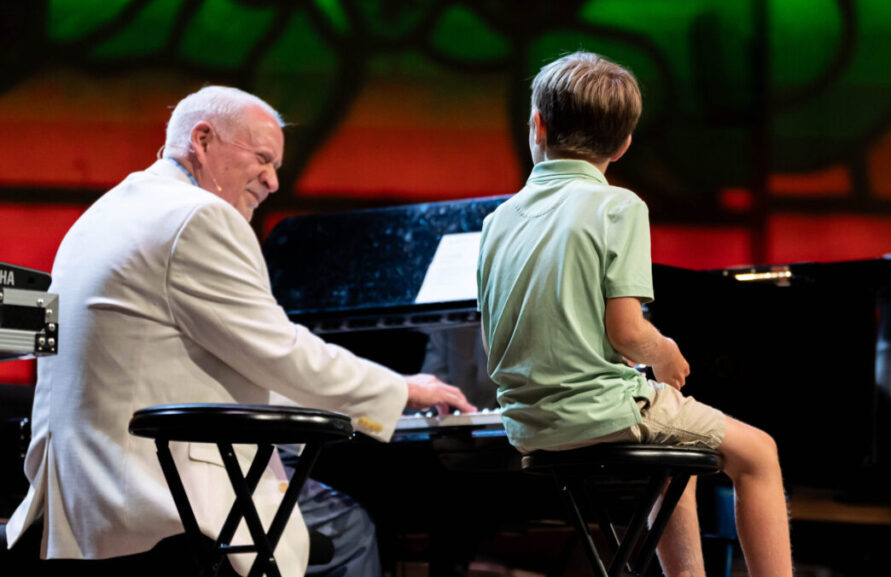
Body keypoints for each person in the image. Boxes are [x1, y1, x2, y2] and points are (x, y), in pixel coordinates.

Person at [3, 86, 475, 577]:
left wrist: (352, 405)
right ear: (203, 139)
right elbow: (282, 353)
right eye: (263, 159)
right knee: (350, 530)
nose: (273, 181)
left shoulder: (105, 212)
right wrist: (402, 390)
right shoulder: (198, 217)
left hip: (81, 491)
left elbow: (193, 363)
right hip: (155, 491)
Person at [477, 52, 792, 577]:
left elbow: (495, 343)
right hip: (600, 414)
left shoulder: (496, 221)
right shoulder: (619, 206)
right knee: (759, 453)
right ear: (623, 145)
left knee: (673, 447)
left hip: (528, 424)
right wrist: (664, 352)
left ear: (538, 125)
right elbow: (625, 332)